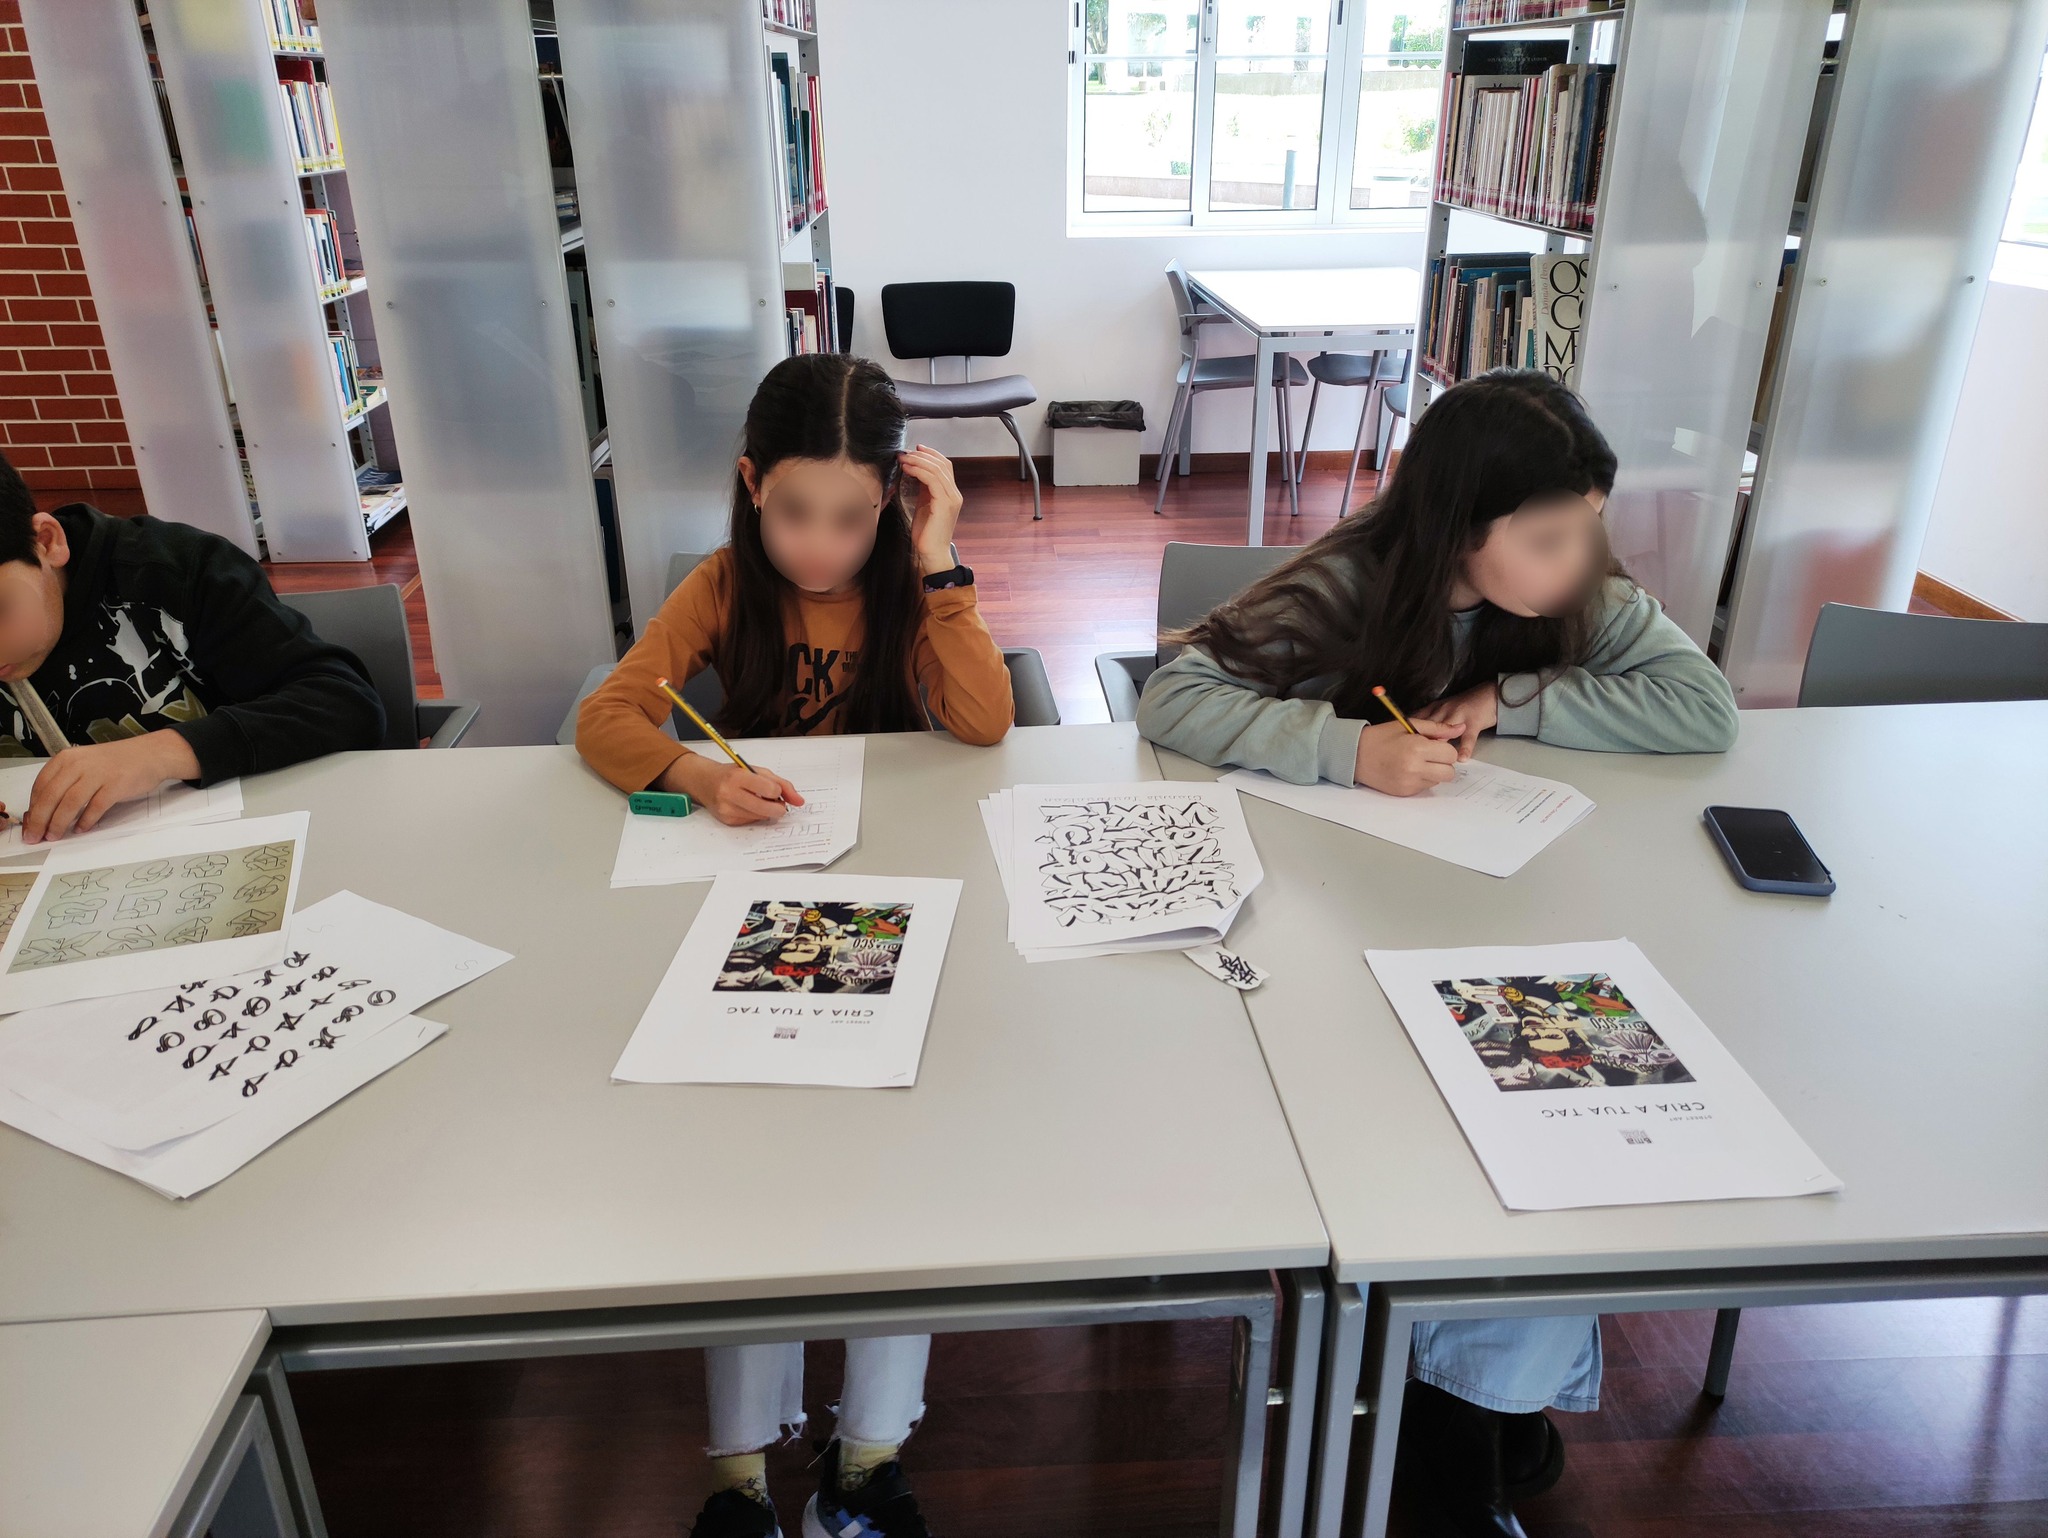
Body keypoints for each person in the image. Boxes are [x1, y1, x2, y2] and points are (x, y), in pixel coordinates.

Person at [1136, 368, 1739, 1538]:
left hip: (1508, 919)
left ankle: (1470, 1410)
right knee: (1473, 1131)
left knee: (1567, 1106)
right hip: (1343, 947)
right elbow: (1174, 695)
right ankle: (1462, 1422)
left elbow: (1701, 709)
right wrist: (1343, 749)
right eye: (1549, 537)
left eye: (1589, 529)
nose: (1580, 559)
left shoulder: (1580, 594)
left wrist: (1511, 694)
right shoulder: (1347, 582)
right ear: (1463, 526)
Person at [579, 352, 1015, 1538]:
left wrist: (938, 558)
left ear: (893, 501)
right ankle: (737, 1472)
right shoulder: (724, 583)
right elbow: (608, 713)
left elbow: (984, 720)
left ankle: (868, 1457)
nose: (820, 547)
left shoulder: (910, 584)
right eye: (792, 512)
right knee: (743, 1174)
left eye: (853, 517)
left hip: (896, 905)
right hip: (753, 903)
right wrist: (694, 774)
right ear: (748, 485)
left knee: (894, 1163)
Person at [0, 450, 384, 842]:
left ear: (47, 542)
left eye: (2, 610)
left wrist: (160, 753)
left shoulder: (176, 571)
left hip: (239, 841)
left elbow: (345, 703)